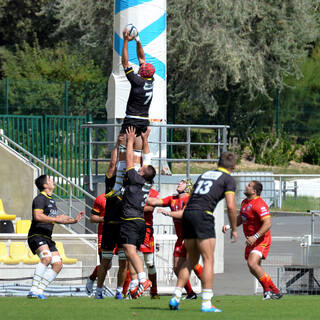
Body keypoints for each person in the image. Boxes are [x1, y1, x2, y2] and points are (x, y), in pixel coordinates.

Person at [169, 151, 238, 312]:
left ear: (218, 163)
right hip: (203, 215)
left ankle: (176, 297)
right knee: (208, 259)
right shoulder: (228, 179)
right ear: (233, 167)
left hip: (188, 214)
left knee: (191, 260)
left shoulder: (205, 174)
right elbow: (231, 205)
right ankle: (206, 302)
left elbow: (192, 196)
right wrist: (234, 228)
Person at [27, 175, 84, 299]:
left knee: (58, 264)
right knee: (46, 258)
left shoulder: (51, 201)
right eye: (49, 180)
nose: (52, 181)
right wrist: (56, 219)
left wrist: (73, 220)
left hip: (47, 237)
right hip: (36, 235)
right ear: (45, 185)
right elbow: (38, 216)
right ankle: (33, 290)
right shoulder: (40, 199)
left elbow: (57, 220)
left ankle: (39, 291)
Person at [223, 180, 282, 300]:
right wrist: (230, 226)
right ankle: (275, 290)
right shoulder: (245, 202)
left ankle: (267, 291)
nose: (246, 186)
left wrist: (255, 236)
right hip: (251, 240)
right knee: (252, 268)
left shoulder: (259, 204)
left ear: (254, 191)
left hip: (261, 240)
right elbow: (241, 218)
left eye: (249, 186)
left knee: (252, 263)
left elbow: (268, 223)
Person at [147, 179, 203, 299]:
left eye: (182, 182)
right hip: (181, 238)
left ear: (188, 186)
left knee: (191, 264)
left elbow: (184, 214)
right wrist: (139, 195)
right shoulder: (173, 198)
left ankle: (208, 288)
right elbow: (155, 201)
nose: (179, 184)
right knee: (177, 267)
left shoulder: (190, 199)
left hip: (191, 236)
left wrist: (168, 213)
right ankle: (190, 293)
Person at [120, 126, 156, 299]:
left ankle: (143, 280)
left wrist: (131, 141)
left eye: (141, 168)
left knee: (130, 251)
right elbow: (147, 161)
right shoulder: (148, 182)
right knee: (131, 252)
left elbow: (128, 161)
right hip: (140, 220)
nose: (139, 167)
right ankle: (136, 284)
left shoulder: (135, 178)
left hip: (130, 218)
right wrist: (146, 140)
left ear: (141, 172)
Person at [94, 139, 128, 300]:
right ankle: (98, 290)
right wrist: (116, 145)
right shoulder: (111, 183)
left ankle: (119, 291)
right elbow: (112, 164)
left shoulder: (132, 183)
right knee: (106, 261)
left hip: (124, 226)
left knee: (124, 261)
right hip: (109, 225)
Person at [123, 187, 161, 299]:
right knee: (130, 257)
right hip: (132, 226)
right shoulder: (133, 190)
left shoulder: (153, 193)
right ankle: (131, 290)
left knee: (149, 262)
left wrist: (133, 207)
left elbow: (150, 208)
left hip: (146, 228)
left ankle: (154, 291)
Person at [121, 26, 155, 136]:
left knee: (121, 145)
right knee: (140, 146)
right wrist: (138, 40)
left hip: (132, 118)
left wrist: (126, 41)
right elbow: (142, 59)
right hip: (144, 120)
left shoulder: (137, 82)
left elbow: (125, 62)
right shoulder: (151, 81)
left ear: (141, 72)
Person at [85, 192, 106, 296]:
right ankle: (92, 279)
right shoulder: (101, 198)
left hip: (122, 234)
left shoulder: (126, 196)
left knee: (126, 262)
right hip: (105, 235)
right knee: (106, 265)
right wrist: (105, 219)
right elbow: (92, 218)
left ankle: (123, 292)